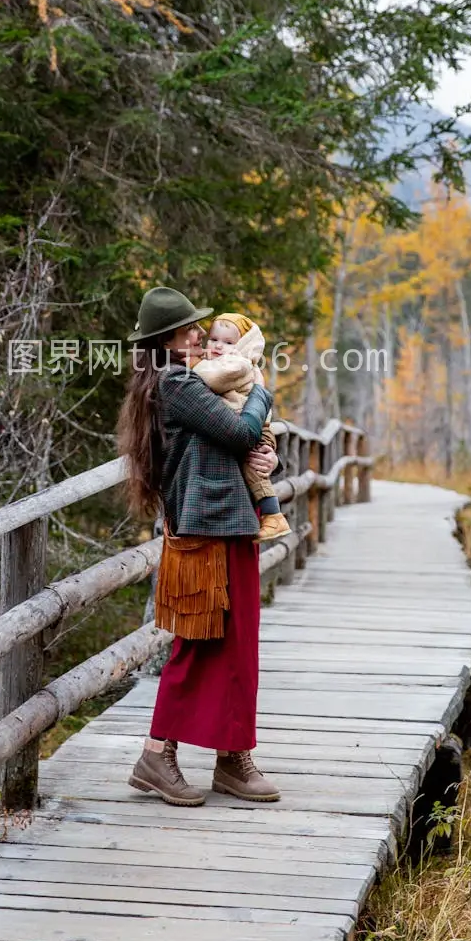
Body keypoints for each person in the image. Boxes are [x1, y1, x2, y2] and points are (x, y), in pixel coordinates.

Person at [116, 285, 281, 806]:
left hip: (229, 522)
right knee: (198, 644)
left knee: (238, 645)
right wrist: (263, 391)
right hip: (205, 529)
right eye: (189, 329)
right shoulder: (175, 384)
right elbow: (237, 432)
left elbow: (240, 443)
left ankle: (233, 756)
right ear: (166, 340)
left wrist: (268, 460)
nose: (200, 335)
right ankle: (156, 753)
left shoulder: (193, 381)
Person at [193, 313, 291, 542]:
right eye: (214, 339)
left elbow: (210, 379)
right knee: (253, 466)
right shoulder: (224, 362)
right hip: (245, 423)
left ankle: (273, 514)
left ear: (243, 345)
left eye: (228, 342)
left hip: (248, 424)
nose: (218, 346)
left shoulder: (237, 363)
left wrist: (192, 368)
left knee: (252, 466)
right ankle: (272, 514)